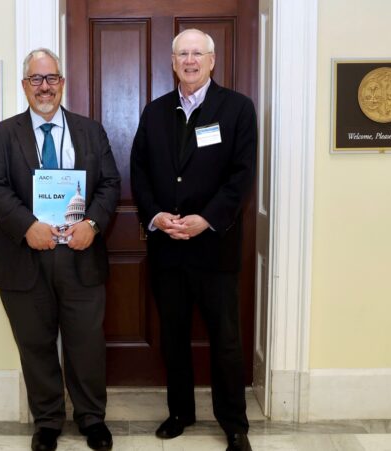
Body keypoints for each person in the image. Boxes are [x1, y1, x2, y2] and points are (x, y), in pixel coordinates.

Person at [0, 48, 120, 451]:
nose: (45, 87)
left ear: (63, 82)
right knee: (35, 344)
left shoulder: (90, 131)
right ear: (25, 85)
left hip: (80, 256)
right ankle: (47, 421)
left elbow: (110, 183)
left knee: (86, 344)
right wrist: (28, 227)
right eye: (36, 79)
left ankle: (92, 418)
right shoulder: (2, 134)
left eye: (51, 78)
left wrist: (92, 224)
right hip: (24, 258)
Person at [130, 29, 257, 451]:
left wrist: (207, 219)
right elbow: (139, 171)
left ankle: (234, 423)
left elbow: (241, 175)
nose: (189, 60)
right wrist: (154, 215)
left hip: (215, 248)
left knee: (226, 341)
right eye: (182, 54)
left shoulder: (237, 108)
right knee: (174, 337)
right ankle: (180, 412)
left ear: (211, 60)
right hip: (167, 248)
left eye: (197, 53)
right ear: (172, 62)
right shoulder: (155, 112)